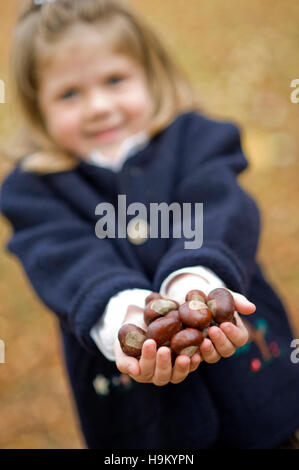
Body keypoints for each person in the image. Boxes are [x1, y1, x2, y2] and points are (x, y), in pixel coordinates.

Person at [0, 0, 298, 449]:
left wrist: (194, 282)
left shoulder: (197, 140)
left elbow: (220, 205)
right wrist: (125, 313)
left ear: (150, 74)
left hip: (256, 386)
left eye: (115, 80)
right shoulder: (34, 189)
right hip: (143, 426)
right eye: (69, 94)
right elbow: (64, 257)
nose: (99, 106)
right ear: (37, 106)